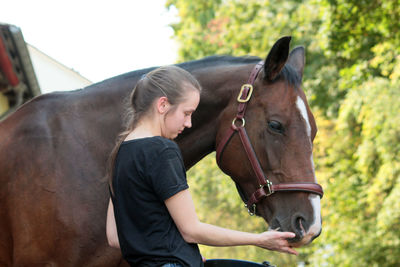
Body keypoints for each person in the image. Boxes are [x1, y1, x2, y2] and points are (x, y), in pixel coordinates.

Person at [106, 65, 298, 267]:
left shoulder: (119, 153)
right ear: (162, 105)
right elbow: (191, 230)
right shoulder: (162, 150)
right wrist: (259, 239)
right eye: (186, 113)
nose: (188, 123)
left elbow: (114, 237)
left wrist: (182, 253)